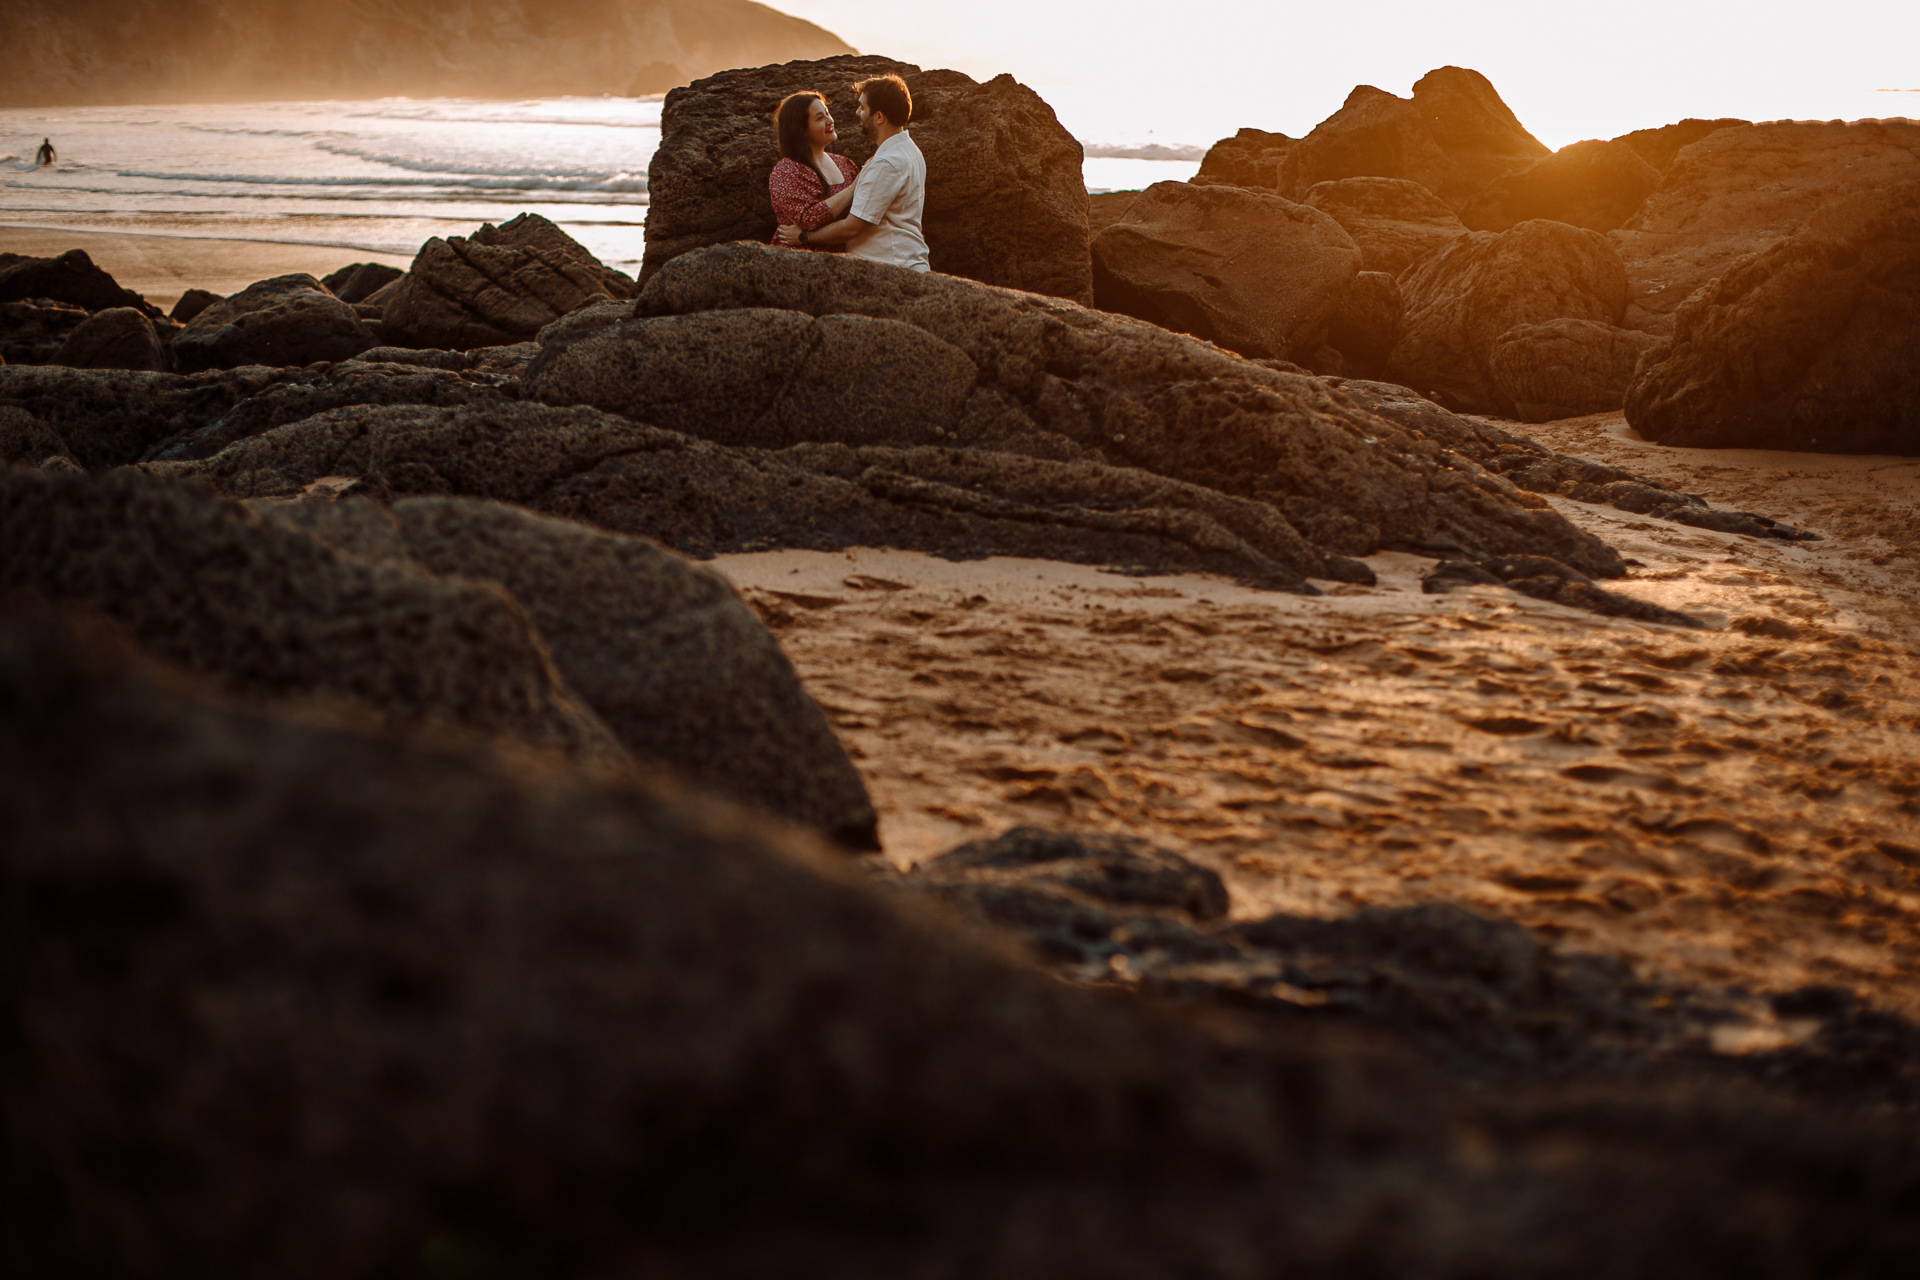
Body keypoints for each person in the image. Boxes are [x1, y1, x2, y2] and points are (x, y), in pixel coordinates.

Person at [776, 74, 927, 272]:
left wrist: (803, 237)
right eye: (820, 116)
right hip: (894, 262)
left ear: (879, 117)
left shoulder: (885, 163)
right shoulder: (909, 150)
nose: (857, 113)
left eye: (863, 108)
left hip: (891, 266)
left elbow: (852, 226)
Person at [768, 91, 859, 253]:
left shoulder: (845, 164)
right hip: (797, 262)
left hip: (843, 261)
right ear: (801, 129)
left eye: (827, 113)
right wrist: (852, 189)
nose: (830, 121)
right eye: (820, 118)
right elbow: (809, 219)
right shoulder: (786, 171)